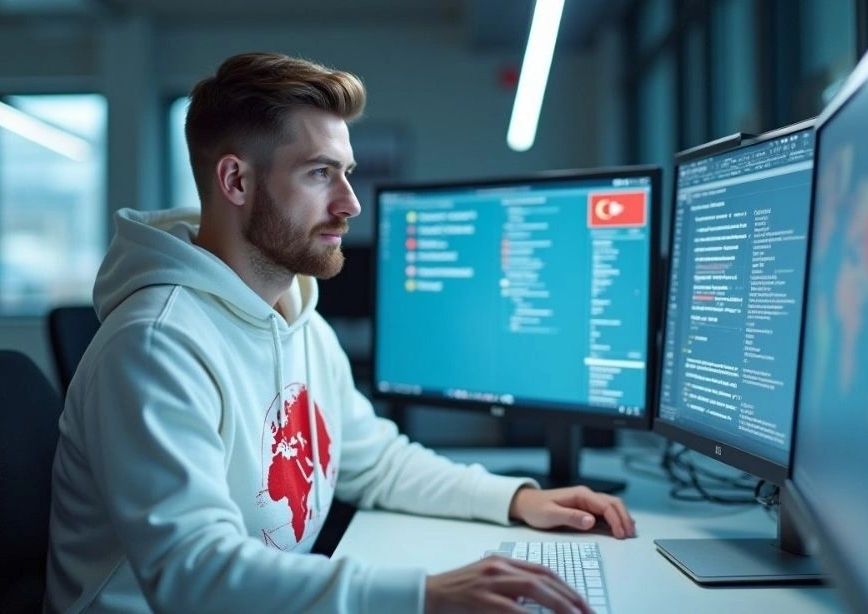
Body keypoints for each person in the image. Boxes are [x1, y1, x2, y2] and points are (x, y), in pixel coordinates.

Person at [44, 51, 636, 614]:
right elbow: (192, 575)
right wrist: (424, 596)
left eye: (346, 173)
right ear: (236, 181)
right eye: (320, 174)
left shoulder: (297, 316)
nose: (351, 202)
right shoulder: (156, 344)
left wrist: (516, 499)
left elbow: (375, 462)